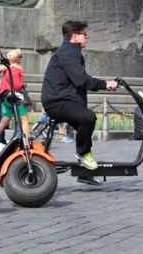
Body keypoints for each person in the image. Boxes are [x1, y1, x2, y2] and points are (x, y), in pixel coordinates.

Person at [41, 20, 118, 177]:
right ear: (75, 36)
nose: (87, 37)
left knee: (85, 126)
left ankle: (86, 173)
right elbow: (81, 79)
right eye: (84, 34)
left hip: (63, 100)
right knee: (88, 118)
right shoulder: (68, 52)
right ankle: (82, 154)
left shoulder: (70, 51)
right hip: (57, 102)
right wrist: (105, 84)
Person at [0, 49, 30, 153]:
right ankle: (27, 143)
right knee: (24, 119)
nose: (22, 59)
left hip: (4, 96)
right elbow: (17, 85)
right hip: (13, 97)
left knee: (4, 121)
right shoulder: (17, 69)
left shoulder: (8, 68)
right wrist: (22, 85)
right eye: (21, 57)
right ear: (18, 59)